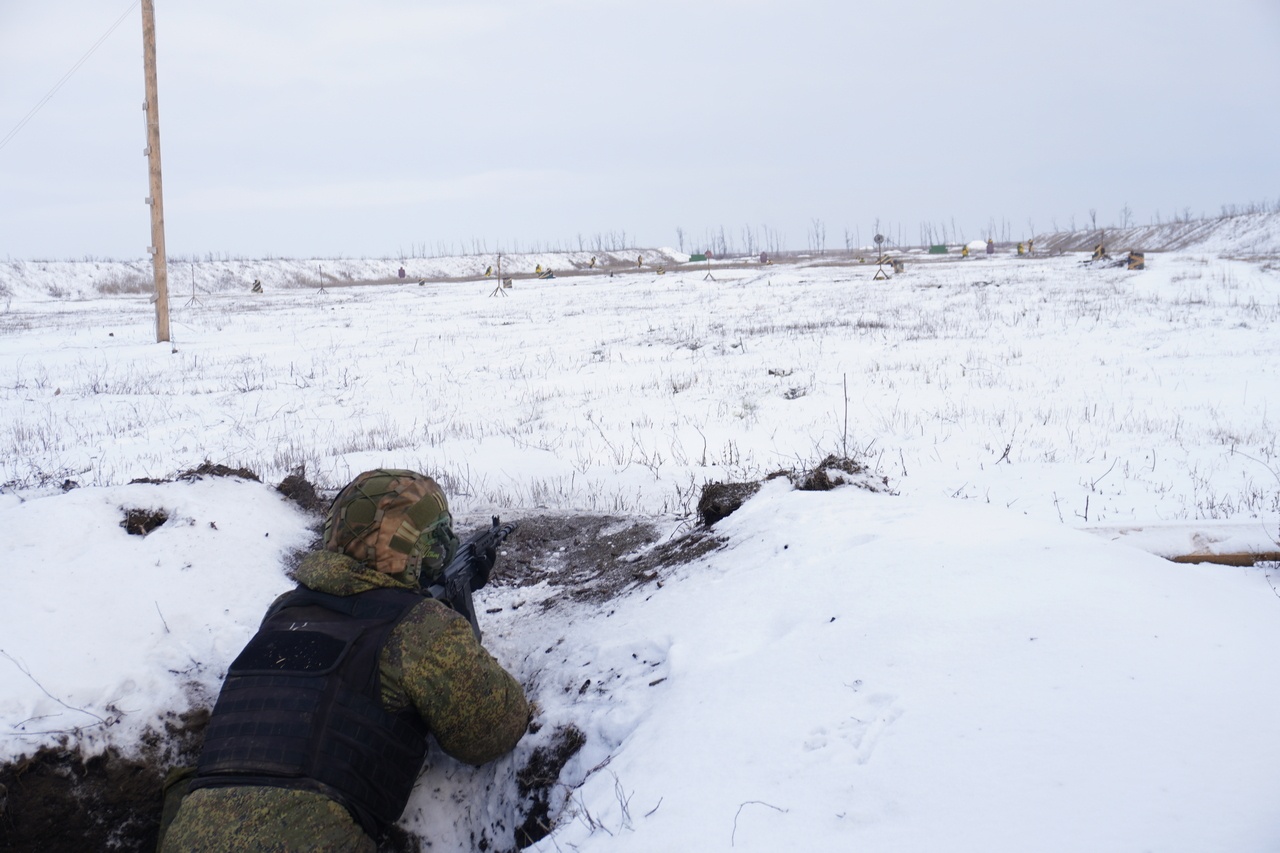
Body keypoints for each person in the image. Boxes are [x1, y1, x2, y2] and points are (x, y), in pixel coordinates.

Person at [160, 469, 529, 852]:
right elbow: (494, 730)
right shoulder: (418, 626)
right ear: (422, 548)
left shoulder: (283, 612)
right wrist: (444, 626)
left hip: (187, 833)